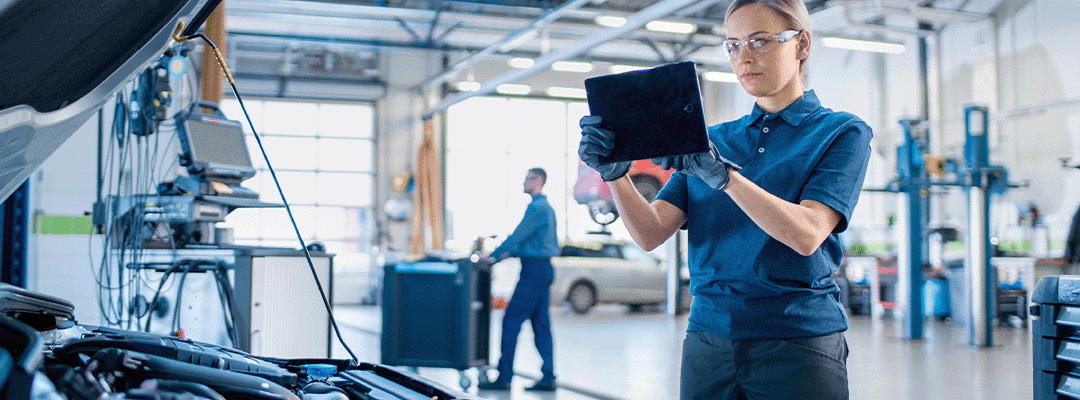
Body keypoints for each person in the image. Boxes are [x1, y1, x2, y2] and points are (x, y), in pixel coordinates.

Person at [578, 0, 872, 398]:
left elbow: (807, 234)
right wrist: (616, 175)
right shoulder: (710, 140)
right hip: (708, 338)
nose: (744, 57)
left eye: (760, 42)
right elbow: (650, 232)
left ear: (802, 44)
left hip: (796, 341)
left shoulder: (841, 132)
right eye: (732, 45)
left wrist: (726, 178)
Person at [477, 168, 559, 392]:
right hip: (542, 270)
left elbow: (517, 237)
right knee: (541, 325)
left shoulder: (537, 208)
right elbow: (525, 245)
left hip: (533, 272)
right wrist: (499, 257)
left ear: (539, 180)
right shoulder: (546, 208)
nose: (525, 182)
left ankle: (504, 378)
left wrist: (492, 256)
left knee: (511, 321)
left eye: (529, 178)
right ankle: (548, 376)